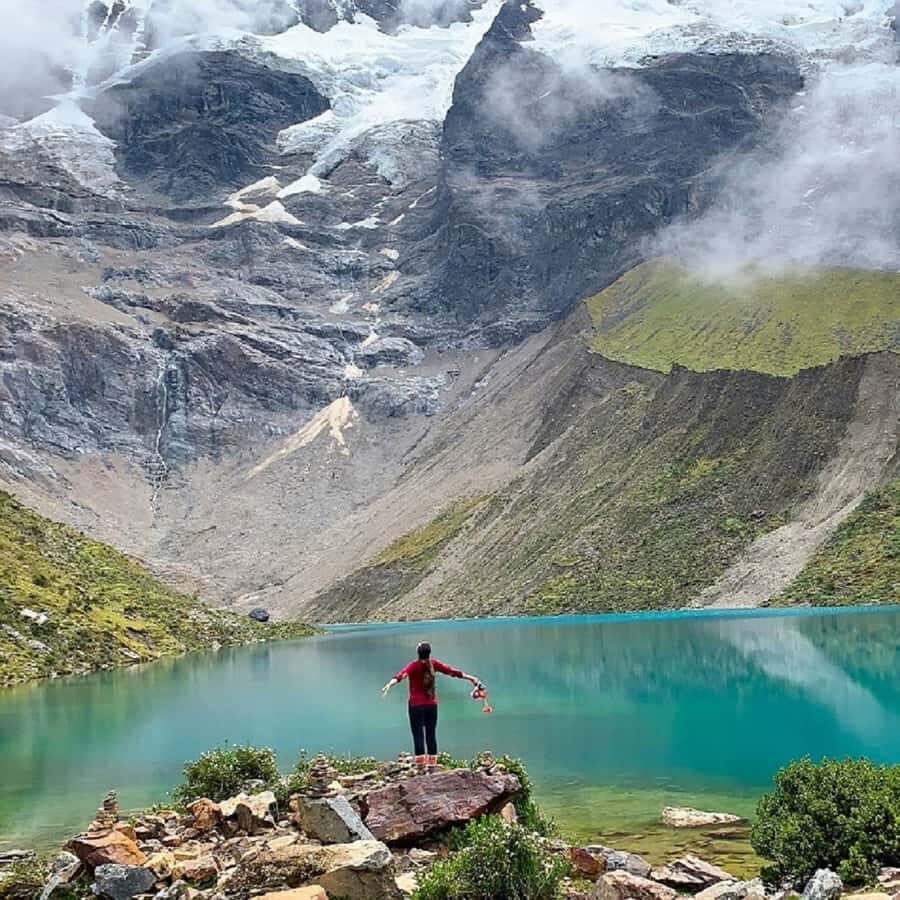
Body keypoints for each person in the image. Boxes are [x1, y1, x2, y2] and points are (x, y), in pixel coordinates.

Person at [382, 641, 482, 773]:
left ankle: (420, 767)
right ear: (429, 653)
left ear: (418, 652)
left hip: (415, 706)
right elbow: (451, 671)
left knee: (418, 735)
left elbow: (401, 675)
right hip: (431, 705)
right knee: (431, 734)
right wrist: (471, 678)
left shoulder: (413, 665)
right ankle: (432, 766)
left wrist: (389, 685)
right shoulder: (434, 664)